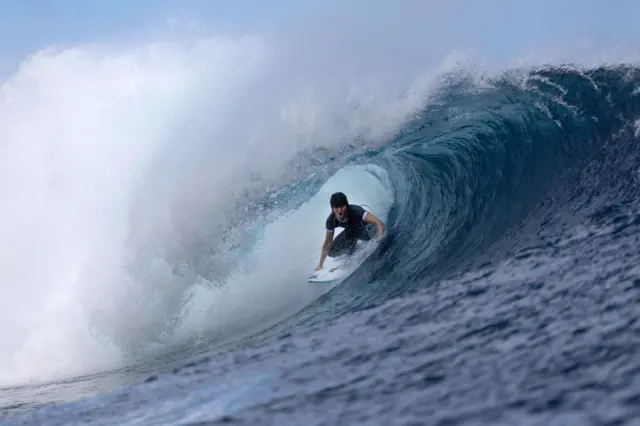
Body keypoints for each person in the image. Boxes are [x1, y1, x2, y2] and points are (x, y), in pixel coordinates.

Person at [315, 192, 385, 271]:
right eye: (336, 207)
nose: (339, 210)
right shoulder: (331, 221)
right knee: (331, 252)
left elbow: (377, 222)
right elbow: (327, 243)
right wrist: (320, 265)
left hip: (365, 229)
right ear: (332, 208)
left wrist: (380, 235)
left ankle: (356, 244)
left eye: (342, 206)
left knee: (375, 229)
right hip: (351, 232)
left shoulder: (356, 210)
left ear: (347, 205)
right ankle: (353, 248)